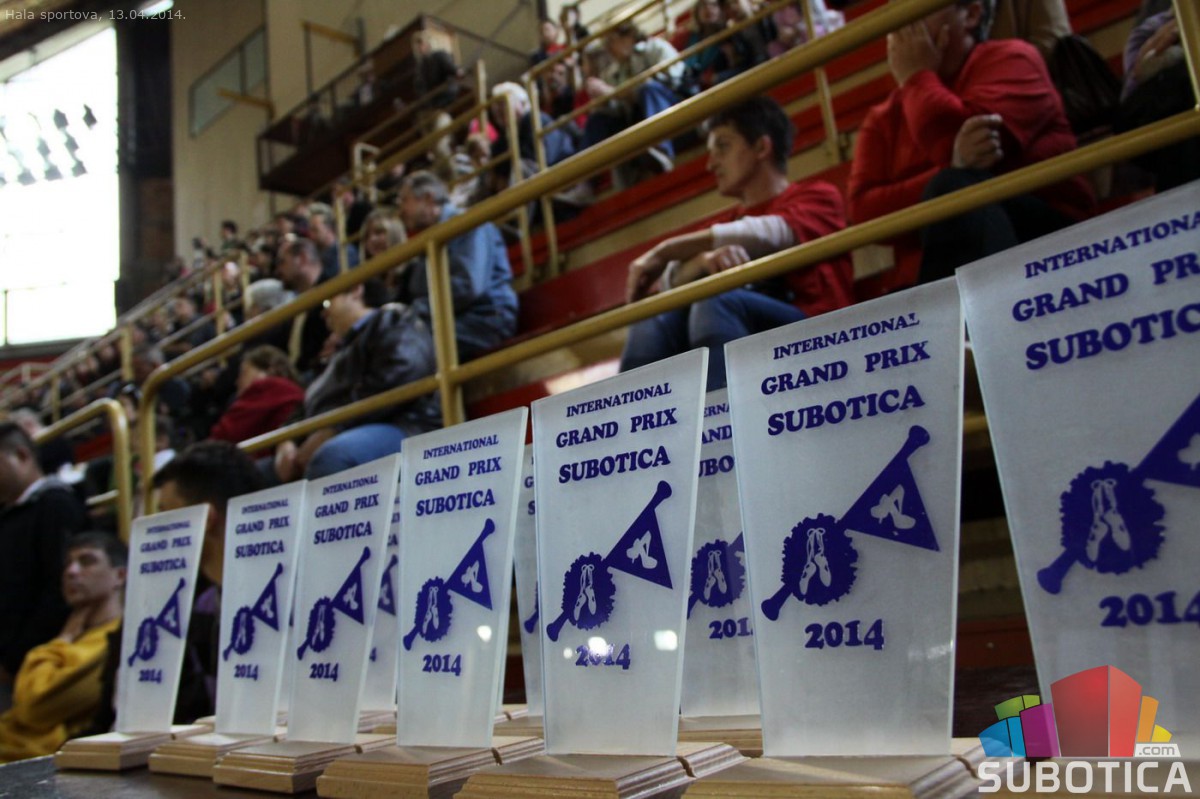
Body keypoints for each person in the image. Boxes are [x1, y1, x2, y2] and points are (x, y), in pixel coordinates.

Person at [847, 0, 1094, 292]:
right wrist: (952, 166)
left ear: (972, 14)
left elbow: (964, 141)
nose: (904, 22)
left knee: (955, 189)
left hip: (1050, 243)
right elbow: (863, 211)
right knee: (951, 186)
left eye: (918, 6)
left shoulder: (1014, 58)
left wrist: (915, 77)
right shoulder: (882, 117)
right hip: (935, 273)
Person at [622, 96, 853, 389]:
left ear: (761, 147)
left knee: (716, 301)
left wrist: (666, 250)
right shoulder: (723, 226)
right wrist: (700, 262)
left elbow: (770, 233)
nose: (711, 164)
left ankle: (723, 415)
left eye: (723, 146)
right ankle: (637, 419)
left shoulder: (818, 196)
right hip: (755, 343)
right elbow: (670, 283)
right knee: (652, 318)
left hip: (823, 339)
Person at [88, 442, 266, 732]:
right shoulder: (159, 602)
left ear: (206, 518)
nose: (157, 529)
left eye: (165, 514)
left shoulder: (278, 605)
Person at [273, 279, 441, 481]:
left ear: (355, 291)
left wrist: (335, 427)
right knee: (260, 473)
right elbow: (309, 402)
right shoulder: (341, 349)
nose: (323, 313)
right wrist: (287, 440)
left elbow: (403, 372)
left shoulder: (392, 318)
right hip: (353, 425)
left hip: (404, 422)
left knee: (333, 457)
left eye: (327, 302)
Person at [0, 533, 126, 762]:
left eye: (87, 561)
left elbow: (33, 708)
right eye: (68, 564)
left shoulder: (117, 640)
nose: (71, 571)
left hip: (37, 763)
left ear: (120, 575)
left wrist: (61, 641)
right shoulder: (74, 637)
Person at [0, 423, 88, 712]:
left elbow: (58, 590)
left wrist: (14, 659)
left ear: (22, 456)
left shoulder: (56, 505)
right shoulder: (10, 515)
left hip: (33, 664)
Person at [394, 171, 518, 360]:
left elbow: (467, 286)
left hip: (485, 318)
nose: (400, 211)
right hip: (455, 320)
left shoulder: (467, 223)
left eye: (404, 200)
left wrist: (413, 313)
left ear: (428, 198)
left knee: (404, 348)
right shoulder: (428, 241)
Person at [583, 21, 685, 176]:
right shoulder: (613, 72)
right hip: (637, 119)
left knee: (648, 89)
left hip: (672, 107)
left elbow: (672, 80)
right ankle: (584, 179)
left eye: (611, 41)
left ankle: (661, 150)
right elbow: (617, 106)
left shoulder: (655, 47)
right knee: (598, 118)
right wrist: (601, 101)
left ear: (629, 36)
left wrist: (614, 93)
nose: (608, 49)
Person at [208, 345, 305, 446]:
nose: (237, 382)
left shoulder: (270, 387)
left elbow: (224, 434)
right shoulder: (289, 390)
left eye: (243, 373)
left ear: (269, 370)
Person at [275, 237, 335, 375]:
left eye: (282, 262)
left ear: (302, 259)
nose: (278, 270)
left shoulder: (333, 293)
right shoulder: (297, 304)